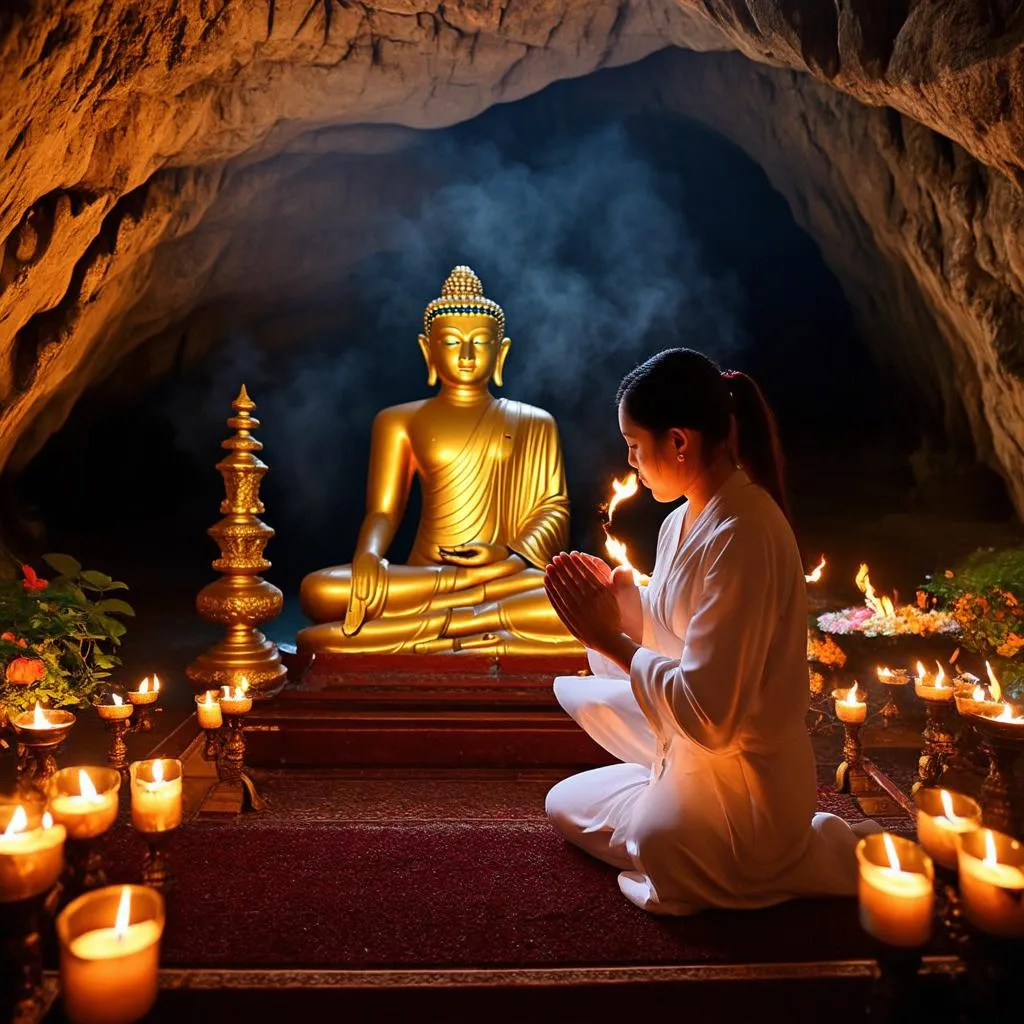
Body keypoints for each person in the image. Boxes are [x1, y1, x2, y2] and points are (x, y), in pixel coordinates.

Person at [543, 348, 871, 915]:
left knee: (662, 842)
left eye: (635, 446)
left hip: (748, 786)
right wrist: (622, 606)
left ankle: (783, 855)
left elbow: (713, 719)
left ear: (678, 442)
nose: (632, 463)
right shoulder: (680, 521)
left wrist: (612, 641)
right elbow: (674, 629)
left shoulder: (744, 532)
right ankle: (679, 839)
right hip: (688, 764)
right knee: (564, 802)